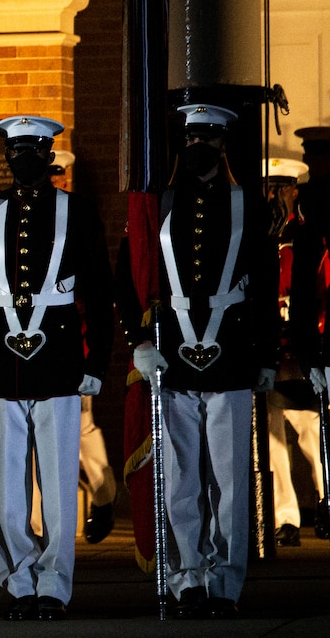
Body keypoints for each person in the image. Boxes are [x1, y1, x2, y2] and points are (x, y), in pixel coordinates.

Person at [117, 104, 278, 619]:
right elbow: (132, 276)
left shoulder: (248, 205)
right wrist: (137, 338)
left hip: (230, 353)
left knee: (230, 482)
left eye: (207, 140)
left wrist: (267, 356)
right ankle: (187, 575)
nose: (196, 149)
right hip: (172, 356)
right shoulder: (158, 205)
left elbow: (266, 284)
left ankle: (226, 583)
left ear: (223, 145)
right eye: (190, 140)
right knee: (182, 477)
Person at [0, 116, 114, 621]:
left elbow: (101, 294)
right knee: (6, 481)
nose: (23, 159)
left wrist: (97, 361)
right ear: (6, 154)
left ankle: (55, 585)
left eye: (33, 151)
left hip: (59, 361)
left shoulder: (78, 211)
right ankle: (19, 580)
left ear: (48, 156)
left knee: (60, 482)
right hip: (0, 360)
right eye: (15, 150)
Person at [49, 151, 117, 544]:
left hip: (76, 338)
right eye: (51, 174)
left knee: (83, 427)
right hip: (47, 340)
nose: (56, 180)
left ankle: (104, 496)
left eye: (60, 175)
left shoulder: (78, 217)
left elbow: (92, 288)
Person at [266, 157, 326, 546]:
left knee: (313, 437)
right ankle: (284, 517)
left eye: (282, 189)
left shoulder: (307, 236)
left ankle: (326, 501)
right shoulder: (261, 235)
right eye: (270, 189)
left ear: (294, 192)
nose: (275, 196)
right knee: (272, 442)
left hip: (302, 344)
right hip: (273, 350)